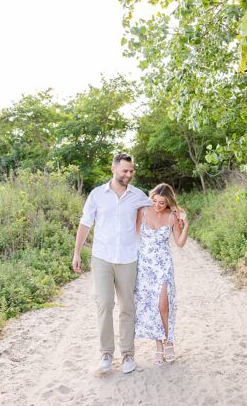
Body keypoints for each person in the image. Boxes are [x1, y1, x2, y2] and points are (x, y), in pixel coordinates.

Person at [73, 153, 151, 374]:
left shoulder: (138, 195)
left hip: (128, 258)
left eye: (131, 171)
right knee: (104, 303)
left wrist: (177, 212)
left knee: (128, 306)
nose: (129, 174)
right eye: (125, 170)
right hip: (102, 257)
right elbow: (85, 223)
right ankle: (106, 353)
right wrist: (77, 253)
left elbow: (158, 205)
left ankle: (128, 355)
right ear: (113, 169)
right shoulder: (97, 195)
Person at [134, 183, 188, 364]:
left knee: (163, 304)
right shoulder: (142, 212)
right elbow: (134, 237)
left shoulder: (172, 217)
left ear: (168, 203)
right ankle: (159, 346)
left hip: (163, 265)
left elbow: (180, 242)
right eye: (155, 201)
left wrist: (186, 224)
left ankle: (169, 342)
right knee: (152, 306)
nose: (157, 205)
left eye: (162, 203)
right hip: (145, 266)